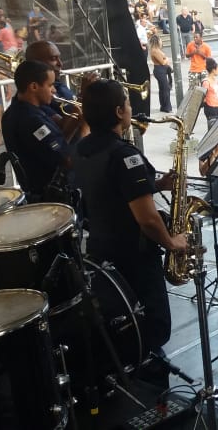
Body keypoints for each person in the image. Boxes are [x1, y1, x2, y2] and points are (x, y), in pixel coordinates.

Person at [72, 80, 188, 353]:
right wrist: (172, 243)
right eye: (127, 102)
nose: (131, 107)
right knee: (153, 327)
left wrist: (155, 185)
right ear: (118, 112)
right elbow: (146, 218)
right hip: (134, 257)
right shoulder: (124, 156)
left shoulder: (81, 148)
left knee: (123, 324)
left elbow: (108, 190)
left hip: (102, 252)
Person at [1, 60, 75, 202]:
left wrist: (76, 121)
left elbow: (58, 143)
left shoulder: (19, 110)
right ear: (34, 86)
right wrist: (84, 128)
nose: (54, 90)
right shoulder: (31, 119)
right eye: (50, 85)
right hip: (49, 195)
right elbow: (67, 160)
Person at [199, 58, 218, 127]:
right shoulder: (206, 82)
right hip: (210, 107)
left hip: (217, 106)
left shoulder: (216, 80)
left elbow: (217, 95)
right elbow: (203, 96)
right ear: (213, 70)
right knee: (212, 128)